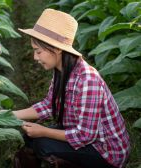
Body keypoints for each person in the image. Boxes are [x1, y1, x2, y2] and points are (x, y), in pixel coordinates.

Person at [12, 8, 130, 168]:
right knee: (29, 137)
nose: (35, 57)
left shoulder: (87, 79)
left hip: (106, 152)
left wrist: (43, 131)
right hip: (82, 134)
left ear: (57, 49)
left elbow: (86, 135)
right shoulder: (62, 71)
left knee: (41, 143)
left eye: (38, 51)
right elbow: (48, 105)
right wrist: (11, 115)